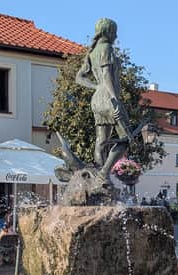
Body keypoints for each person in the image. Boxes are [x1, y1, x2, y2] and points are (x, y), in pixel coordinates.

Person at [76, 18, 133, 173]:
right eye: (114, 32)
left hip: (97, 99)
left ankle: (99, 179)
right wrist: (114, 98)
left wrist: (96, 87)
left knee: (101, 142)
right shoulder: (107, 48)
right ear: (108, 32)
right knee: (126, 139)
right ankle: (104, 173)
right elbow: (107, 75)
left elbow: (79, 77)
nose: (116, 36)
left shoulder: (92, 52)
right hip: (109, 98)